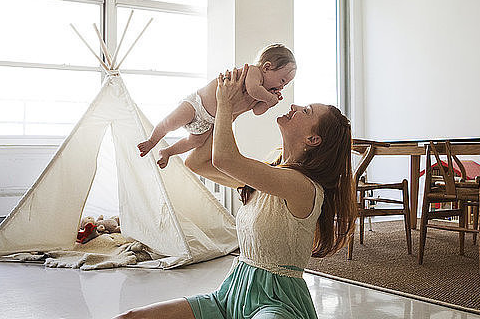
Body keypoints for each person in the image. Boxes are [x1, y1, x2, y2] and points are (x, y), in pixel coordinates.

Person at [115, 65, 356, 319]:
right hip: (233, 293)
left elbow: (224, 159)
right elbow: (197, 163)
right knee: (130, 317)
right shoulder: (268, 174)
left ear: (313, 139)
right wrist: (232, 109)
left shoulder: (302, 186)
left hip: (277, 303)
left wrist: (226, 103)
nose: (295, 106)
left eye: (306, 111)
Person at [137, 44, 296, 169]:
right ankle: (152, 140)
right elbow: (254, 89)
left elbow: (257, 111)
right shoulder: (253, 72)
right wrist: (269, 97)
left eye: (286, 84)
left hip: (210, 122)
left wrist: (269, 103)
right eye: (282, 81)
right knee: (169, 123)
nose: (282, 86)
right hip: (197, 106)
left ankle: (167, 152)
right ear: (267, 67)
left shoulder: (263, 92)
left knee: (194, 142)